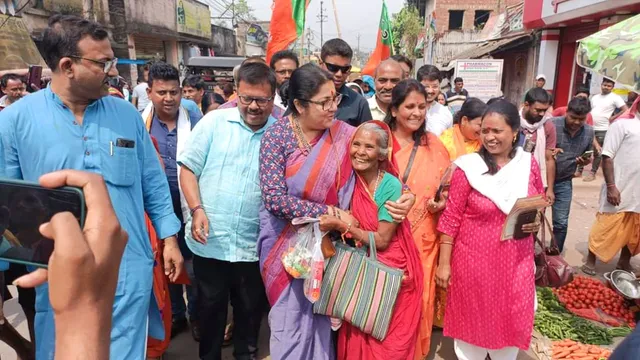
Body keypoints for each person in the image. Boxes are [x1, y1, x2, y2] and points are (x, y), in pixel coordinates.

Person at [0, 15, 183, 360]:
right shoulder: (13, 122)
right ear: (67, 65)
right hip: (59, 271)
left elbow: (152, 181)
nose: (112, 71)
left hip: (128, 267)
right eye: (102, 63)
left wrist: (169, 237)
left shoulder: (126, 115)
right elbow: (5, 207)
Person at [258, 63, 414, 360]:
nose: (333, 108)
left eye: (336, 99)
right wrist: (328, 212)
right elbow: (274, 199)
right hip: (286, 247)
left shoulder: (345, 135)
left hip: (332, 247)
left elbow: (380, 167)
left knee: (325, 321)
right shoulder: (276, 137)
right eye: (324, 102)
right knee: (289, 324)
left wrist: (408, 195)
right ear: (300, 105)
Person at [178, 62, 276, 360]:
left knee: (248, 320)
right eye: (247, 98)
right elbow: (187, 169)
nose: (254, 106)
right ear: (237, 94)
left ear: (273, 98)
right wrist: (197, 209)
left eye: (261, 99)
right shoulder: (213, 123)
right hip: (211, 242)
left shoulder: (281, 135)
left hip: (253, 247)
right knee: (211, 318)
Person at [436, 100, 544, 360]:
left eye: (497, 131)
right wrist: (444, 264)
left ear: (515, 131)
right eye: (485, 130)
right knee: (471, 330)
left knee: (509, 324)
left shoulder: (528, 164)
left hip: (514, 262)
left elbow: (537, 204)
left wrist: (535, 222)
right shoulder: (467, 168)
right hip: (473, 264)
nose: (490, 137)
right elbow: (451, 219)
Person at [318, 121, 423, 360]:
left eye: (369, 147)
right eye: (356, 144)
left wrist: (342, 225)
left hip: (389, 268)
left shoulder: (389, 185)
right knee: (357, 325)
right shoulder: (345, 178)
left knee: (386, 342)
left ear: (382, 154)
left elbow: (383, 239)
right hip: (356, 267)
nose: (360, 152)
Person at [384, 80, 451, 359]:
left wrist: (441, 202)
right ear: (395, 109)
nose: (416, 113)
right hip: (386, 239)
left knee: (419, 303)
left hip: (424, 240)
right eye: (409, 106)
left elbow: (447, 189)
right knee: (387, 305)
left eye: (422, 106)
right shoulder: (379, 141)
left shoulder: (434, 145)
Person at [142, 62, 202, 341]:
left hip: (189, 204)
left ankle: (198, 317)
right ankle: (176, 316)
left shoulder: (194, 119)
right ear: (150, 91)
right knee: (167, 266)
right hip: (155, 207)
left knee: (193, 266)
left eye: (174, 92)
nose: (168, 98)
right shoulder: (140, 121)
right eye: (162, 92)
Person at [583, 96, 640, 275]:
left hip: (638, 190)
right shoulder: (622, 125)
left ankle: (624, 262)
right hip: (620, 186)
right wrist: (611, 186)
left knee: (635, 229)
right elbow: (607, 156)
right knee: (606, 224)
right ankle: (591, 261)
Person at [551, 97, 594, 253]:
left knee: (561, 223)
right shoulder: (552, 125)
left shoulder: (589, 131)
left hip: (564, 181)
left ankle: (554, 258)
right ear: (566, 112)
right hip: (541, 181)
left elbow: (586, 157)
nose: (576, 122)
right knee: (534, 220)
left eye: (581, 119)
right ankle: (529, 256)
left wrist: (583, 162)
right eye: (573, 117)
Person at [320, 38, 373, 126]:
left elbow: (368, 138)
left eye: (345, 69)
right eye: (333, 68)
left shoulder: (359, 104)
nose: (339, 74)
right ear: (321, 63)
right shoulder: (304, 96)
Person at [584, 79, 629, 182]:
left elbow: (625, 109)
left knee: (598, 151)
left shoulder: (615, 98)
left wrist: (614, 117)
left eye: (609, 86)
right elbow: (589, 110)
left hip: (603, 129)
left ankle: (592, 172)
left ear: (612, 87)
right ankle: (579, 169)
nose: (606, 87)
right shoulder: (594, 97)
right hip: (590, 127)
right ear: (601, 85)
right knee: (585, 148)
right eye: (605, 85)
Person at [520, 87, 556, 202]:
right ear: (526, 105)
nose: (541, 114)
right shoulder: (512, 122)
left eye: (544, 110)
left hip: (538, 182)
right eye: (538, 110)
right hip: (514, 179)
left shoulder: (547, 126)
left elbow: (549, 159)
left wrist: (549, 189)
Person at [416, 65, 453, 137]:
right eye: (426, 87)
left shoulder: (445, 113)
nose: (430, 91)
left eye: (435, 86)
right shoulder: (408, 109)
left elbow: (448, 142)